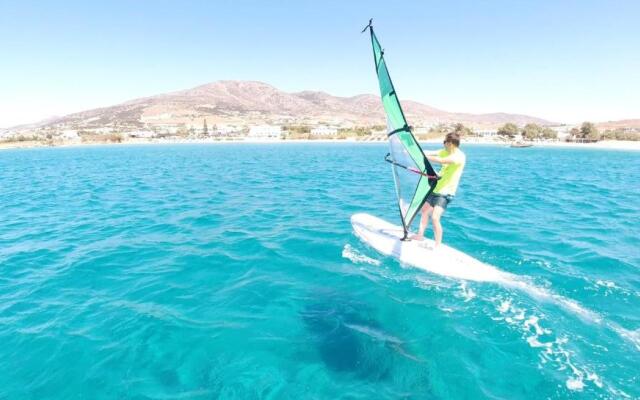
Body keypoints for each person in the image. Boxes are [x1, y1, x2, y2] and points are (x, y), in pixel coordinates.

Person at [411, 132, 466, 247]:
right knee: (425, 211)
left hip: (446, 193)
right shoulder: (446, 151)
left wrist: (422, 157)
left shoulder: (458, 157)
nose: (444, 144)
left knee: (435, 218)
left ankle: (438, 246)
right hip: (436, 188)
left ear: (450, 143)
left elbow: (441, 161)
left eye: (445, 142)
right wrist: (412, 150)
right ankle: (420, 235)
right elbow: (429, 152)